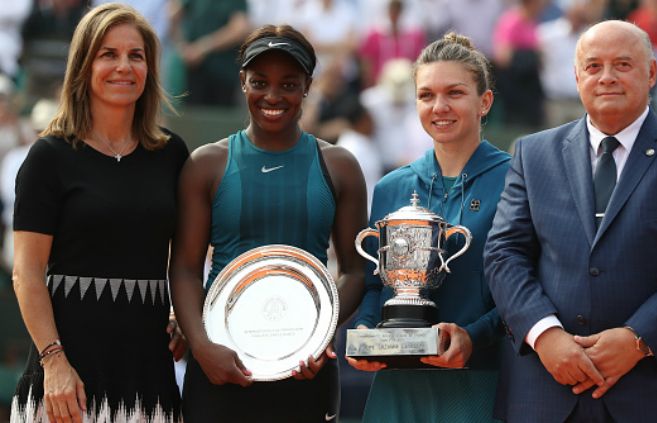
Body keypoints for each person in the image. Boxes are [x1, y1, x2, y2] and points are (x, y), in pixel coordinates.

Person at [484, 20, 657, 422]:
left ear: (651, 73)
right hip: (547, 389)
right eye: (594, 66)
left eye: (622, 65)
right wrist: (545, 335)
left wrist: (637, 340)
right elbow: (503, 254)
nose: (606, 78)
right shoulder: (532, 153)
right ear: (577, 75)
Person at [168, 24, 368, 422]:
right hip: (220, 367)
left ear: (309, 85)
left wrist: (319, 334)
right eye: (259, 82)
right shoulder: (206, 164)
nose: (273, 96)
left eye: (289, 84)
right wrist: (203, 347)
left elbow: (356, 270)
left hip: (305, 369)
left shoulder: (340, 166)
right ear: (242, 81)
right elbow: (186, 269)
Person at [10, 4, 188, 422]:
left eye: (136, 55)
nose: (123, 66)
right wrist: (54, 362)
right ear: (84, 64)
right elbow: (26, 273)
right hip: (66, 383)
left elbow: (184, 259)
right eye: (108, 54)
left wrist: (181, 314)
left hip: (148, 378)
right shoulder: (48, 156)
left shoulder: (172, 154)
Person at [348, 32, 512, 422]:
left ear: (484, 102)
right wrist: (368, 334)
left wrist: (474, 336)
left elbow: (527, 288)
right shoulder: (392, 187)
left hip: (479, 385)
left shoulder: (517, 180)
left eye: (455, 93)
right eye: (426, 95)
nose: (439, 106)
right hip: (396, 390)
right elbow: (376, 285)